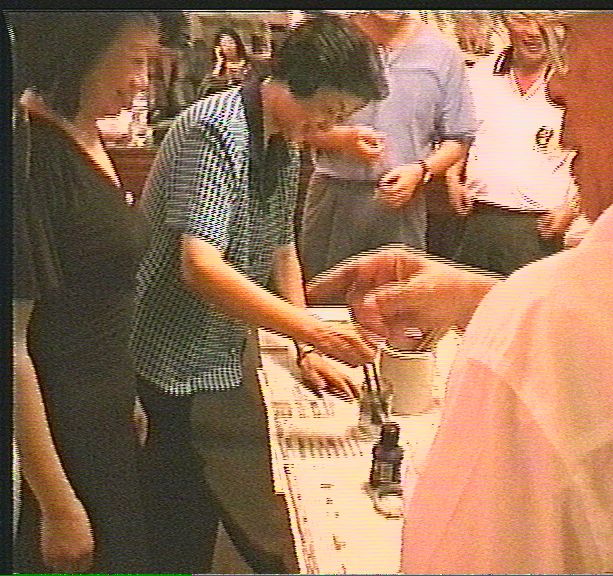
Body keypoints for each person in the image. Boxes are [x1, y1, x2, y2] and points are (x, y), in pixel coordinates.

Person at [309, 10, 613, 574]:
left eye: (574, 43)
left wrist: (521, 311)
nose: (559, 86)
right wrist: (485, 295)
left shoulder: (553, 322)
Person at [131, 13, 386, 574]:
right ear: (297, 82)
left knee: (221, 481)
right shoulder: (214, 129)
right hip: (168, 346)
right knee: (177, 502)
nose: (330, 124)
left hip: (216, 346)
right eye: (330, 110)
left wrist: (309, 348)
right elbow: (200, 267)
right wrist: (315, 329)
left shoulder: (280, 137)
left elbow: (281, 247)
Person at [11, 11, 159, 573]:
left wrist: (126, 395)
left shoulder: (85, 130)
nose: (143, 81)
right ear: (79, 55)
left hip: (105, 413)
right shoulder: (31, 157)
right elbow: (12, 347)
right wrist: (57, 505)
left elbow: (100, 292)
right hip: (60, 435)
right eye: (136, 61)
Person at [299, 10, 476, 282]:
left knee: (396, 305)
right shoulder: (331, 41)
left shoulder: (442, 53)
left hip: (404, 203)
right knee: (322, 297)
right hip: (333, 196)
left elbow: (458, 138)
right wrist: (341, 140)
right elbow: (293, 119)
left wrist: (421, 171)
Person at [449, 11, 574, 276]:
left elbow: (598, 154)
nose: (534, 31)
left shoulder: (574, 80)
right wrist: (452, 176)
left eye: (544, 19)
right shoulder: (479, 74)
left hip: (543, 224)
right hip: (479, 217)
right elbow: (463, 132)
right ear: (504, 20)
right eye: (522, 18)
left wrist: (572, 208)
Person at [197, 26, 251, 100]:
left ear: (237, 44)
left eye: (231, 42)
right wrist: (219, 62)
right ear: (219, 47)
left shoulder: (250, 64)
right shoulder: (217, 68)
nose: (228, 47)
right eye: (224, 44)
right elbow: (207, 88)